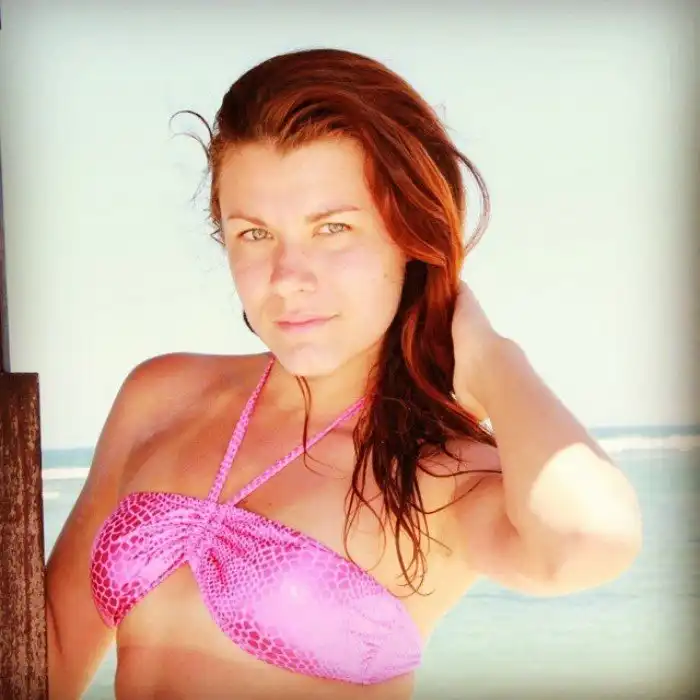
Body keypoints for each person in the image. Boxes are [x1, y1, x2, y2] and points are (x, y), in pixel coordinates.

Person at [45, 48, 642, 700]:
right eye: (254, 234)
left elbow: (588, 542)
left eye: (331, 228)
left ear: (411, 237)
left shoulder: (435, 475)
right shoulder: (161, 398)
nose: (287, 278)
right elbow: (49, 651)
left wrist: (495, 359)